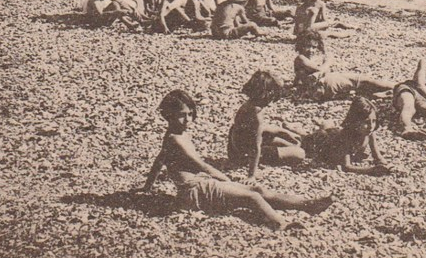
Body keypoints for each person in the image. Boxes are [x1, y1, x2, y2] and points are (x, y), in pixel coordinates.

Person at [138, 90, 333, 231]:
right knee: (252, 196)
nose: (187, 120)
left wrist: (148, 186)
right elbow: (202, 166)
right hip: (195, 192)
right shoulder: (176, 140)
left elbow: (159, 160)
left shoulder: (173, 135)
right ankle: (280, 223)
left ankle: (305, 204)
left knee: (258, 190)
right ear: (168, 115)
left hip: (200, 186)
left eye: (190, 114)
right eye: (182, 115)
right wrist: (227, 180)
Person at [227, 71, 305, 179]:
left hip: (236, 145)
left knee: (293, 143)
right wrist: (252, 176)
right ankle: (257, 160)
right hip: (244, 152)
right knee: (300, 153)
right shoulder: (256, 114)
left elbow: (259, 129)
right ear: (268, 94)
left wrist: (285, 132)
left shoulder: (250, 105)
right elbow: (255, 147)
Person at [293, 31, 395, 101]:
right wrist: (329, 61)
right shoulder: (301, 58)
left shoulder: (305, 59)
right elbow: (320, 69)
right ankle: (396, 87)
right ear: (301, 45)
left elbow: (298, 78)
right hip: (326, 84)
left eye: (314, 47)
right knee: (361, 80)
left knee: (361, 84)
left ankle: (385, 92)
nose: (311, 50)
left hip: (323, 86)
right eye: (307, 46)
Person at [303, 97, 391, 175]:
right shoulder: (346, 137)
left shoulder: (369, 133)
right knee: (306, 139)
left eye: (374, 121)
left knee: (327, 128)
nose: (371, 126)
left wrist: (386, 166)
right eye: (366, 122)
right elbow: (346, 166)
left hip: (334, 134)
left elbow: (378, 157)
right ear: (355, 121)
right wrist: (370, 170)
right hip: (324, 141)